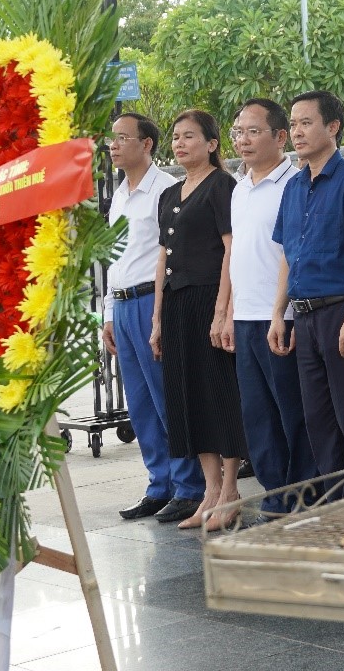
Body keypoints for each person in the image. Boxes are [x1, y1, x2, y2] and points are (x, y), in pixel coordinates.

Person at [269, 91, 344, 497]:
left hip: (340, 312)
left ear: (332, 128)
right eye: (294, 124)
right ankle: (335, 506)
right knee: (318, 418)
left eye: (306, 123)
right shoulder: (294, 187)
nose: (297, 131)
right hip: (305, 316)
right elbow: (287, 256)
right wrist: (279, 314)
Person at [103, 112, 206, 525]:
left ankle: (189, 487)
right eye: (112, 138)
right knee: (140, 404)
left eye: (123, 137)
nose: (113, 145)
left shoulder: (166, 189)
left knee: (168, 398)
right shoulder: (119, 193)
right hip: (124, 305)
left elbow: (170, 256)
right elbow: (113, 257)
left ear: (146, 144)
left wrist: (162, 315)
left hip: (153, 302)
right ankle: (158, 485)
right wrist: (109, 311)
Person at [150, 109, 247, 531]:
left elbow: (231, 250)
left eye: (190, 136)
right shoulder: (168, 195)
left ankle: (230, 491)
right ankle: (208, 490)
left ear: (211, 144)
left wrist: (222, 310)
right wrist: (156, 318)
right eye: (176, 136)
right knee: (187, 397)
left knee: (218, 393)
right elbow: (162, 259)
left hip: (209, 297)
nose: (180, 143)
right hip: (175, 303)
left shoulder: (223, 185)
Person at [225, 99, 316, 513]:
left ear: (280, 137)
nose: (243, 140)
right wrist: (226, 313)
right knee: (257, 416)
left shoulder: (294, 184)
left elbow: (291, 253)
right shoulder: (239, 186)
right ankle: (275, 495)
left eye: (253, 131)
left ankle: (302, 496)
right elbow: (234, 255)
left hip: (283, 317)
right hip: (245, 317)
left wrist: (281, 313)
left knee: (291, 413)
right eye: (238, 132)